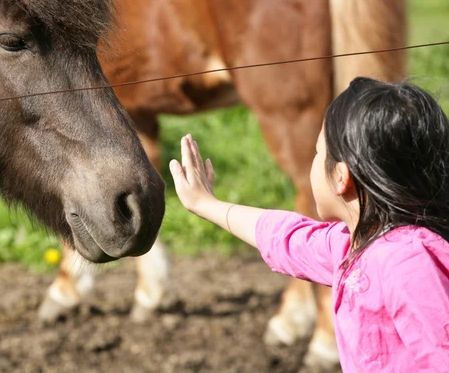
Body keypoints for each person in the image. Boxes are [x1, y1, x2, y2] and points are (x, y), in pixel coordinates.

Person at [169, 77, 449, 372]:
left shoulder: (407, 262)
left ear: (341, 177)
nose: (313, 162)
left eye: (318, 153)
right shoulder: (353, 245)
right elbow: (286, 237)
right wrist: (208, 205)